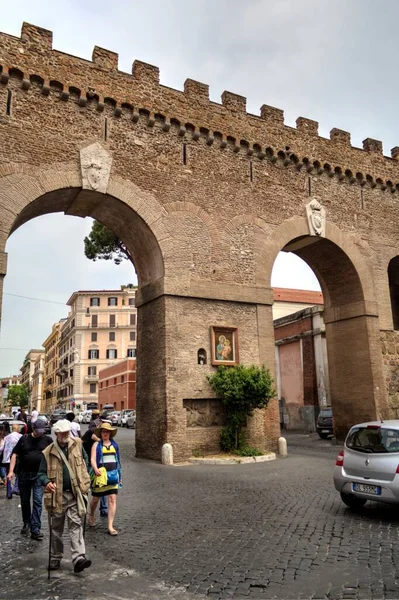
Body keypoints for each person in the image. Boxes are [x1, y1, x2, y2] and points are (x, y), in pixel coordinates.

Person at [38, 419, 92, 573]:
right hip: (57, 496)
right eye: (63, 433)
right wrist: (47, 482)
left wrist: (84, 477)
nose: (66, 435)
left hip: (75, 494)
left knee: (76, 525)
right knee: (56, 529)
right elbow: (41, 474)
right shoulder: (48, 452)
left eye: (68, 432)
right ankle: (55, 557)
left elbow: (85, 461)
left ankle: (78, 558)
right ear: (56, 434)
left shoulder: (77, 444)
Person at [7, 419, 52, 539]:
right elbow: (15, 454)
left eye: (42, 431)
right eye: (38, 431)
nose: (40, 433)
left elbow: (54, 455)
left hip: (39, 475)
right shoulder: (24, 439)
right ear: (33, 428)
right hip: (24, 474)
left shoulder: (47, 440)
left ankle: (35, 528)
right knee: (25, 501)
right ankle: (26, 522)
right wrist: (11, 471)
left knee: (37, 501)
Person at [88, 422, 122, 535]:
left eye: (107, 431)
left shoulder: (115, 445)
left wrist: (119, 475)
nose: (105, 433)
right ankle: (92, 514)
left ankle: (110, 526)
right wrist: (95, 468)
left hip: (113, 476)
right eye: (103, 431)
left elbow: (118, 461)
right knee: (95, 499)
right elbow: (92, 459)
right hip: (100, 476)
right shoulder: (96, 445)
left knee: (112, 499)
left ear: (110, 433)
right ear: (101, 433)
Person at [82, 410, 108, 517]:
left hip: (99, 463)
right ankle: (90, 507)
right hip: (90, 462)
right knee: (91, 484)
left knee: (100, 484)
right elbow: (84, 442)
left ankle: (102, 508)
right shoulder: (91, 432)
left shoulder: (99, 431)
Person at [2, 423, 22, 498]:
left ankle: (9, 493)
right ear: (18, 429)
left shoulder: (7, 437)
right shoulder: (20, 436)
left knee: (8, 475)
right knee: (19, 473)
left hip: (7, 458)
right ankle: (16, 488)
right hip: (17, 457)